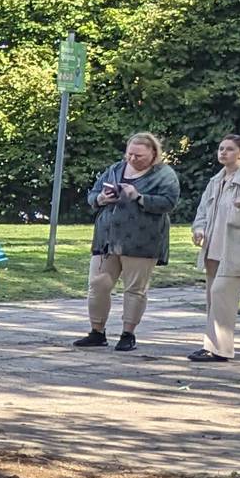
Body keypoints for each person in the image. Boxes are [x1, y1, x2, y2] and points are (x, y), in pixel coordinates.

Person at [72, 132, 181, 351]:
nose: (132, 159)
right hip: (108, 238)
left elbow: (169, 202)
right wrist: (101, 199)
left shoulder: (164, 174)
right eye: (130, 154)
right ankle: (97, 332)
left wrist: (139, 197)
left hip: (142, 241)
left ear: (153, 154)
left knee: (135, 289)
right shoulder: (114, 169)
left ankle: (127, 334)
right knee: (98, 285)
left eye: (138, 156)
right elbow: (93, 194)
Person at [193, 132, 240, 363]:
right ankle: (211, 345)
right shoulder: (216, 180)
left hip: (236, 248)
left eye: (229, 149)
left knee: (221, 295)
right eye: (221, 148)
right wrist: (199, 229)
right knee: (212, 298)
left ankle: (221, 349)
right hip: (212, 247)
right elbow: (203, 210)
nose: (223, 152)